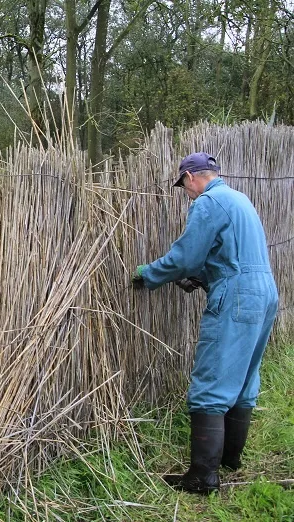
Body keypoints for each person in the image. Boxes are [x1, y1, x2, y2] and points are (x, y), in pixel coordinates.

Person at [131, 152, 278, 494]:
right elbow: (229, 254)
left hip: (237, 296)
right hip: (264, 293)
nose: (185, 192)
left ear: (192, 176)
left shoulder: (208, 202)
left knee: (211, 381)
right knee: (244, 376)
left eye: (184, 184)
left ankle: (202, 477)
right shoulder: (239, 199)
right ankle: (229, 459)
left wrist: (149, 274)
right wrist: (201, 275)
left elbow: (186, 256)